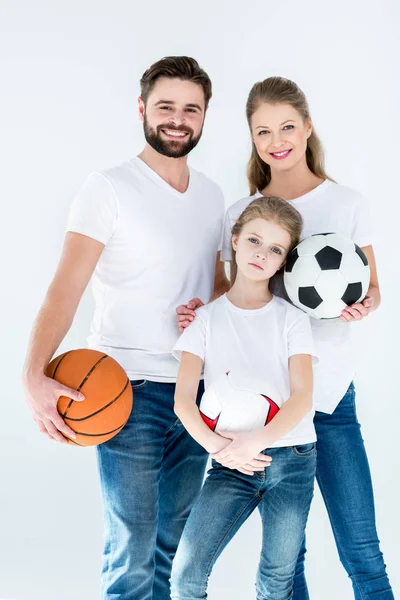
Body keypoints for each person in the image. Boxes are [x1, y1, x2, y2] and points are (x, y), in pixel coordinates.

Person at [22, 56, 229, 600]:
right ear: (142, 109)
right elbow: (64, 290)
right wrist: (31, 376)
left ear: (206, 117)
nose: (177, 119)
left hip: (195, 391)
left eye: (191, 108)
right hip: (123, 392)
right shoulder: (108, 187)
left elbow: (221, 293)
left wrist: (206, 313)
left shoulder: (212, 197)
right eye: (165, 106)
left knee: (171, 548)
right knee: (131, 550)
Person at [178, 76, 394, 599]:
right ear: (252, 140)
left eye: (287, 127)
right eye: (263, 132)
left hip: (330, 396)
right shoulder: (242, 215)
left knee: (360, 547)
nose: (277, 140)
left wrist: (366, 303)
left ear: (308, 127)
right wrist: (196, 314)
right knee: (285, 562)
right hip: (267, 409)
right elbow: (228, 298)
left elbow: (375, 287)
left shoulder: (348, 203)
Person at [170, 196, 319, 600]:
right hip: (228, 462)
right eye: (254, 240)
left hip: (292, 460)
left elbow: (303, 397)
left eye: (275, 249)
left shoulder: (292, 319)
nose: (262, 254)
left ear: (283, 260)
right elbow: (184, 401)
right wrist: (222, 450)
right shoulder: (204, 320)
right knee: (186, 575)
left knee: (275, 582)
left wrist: (257, 441)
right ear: (234, 240)